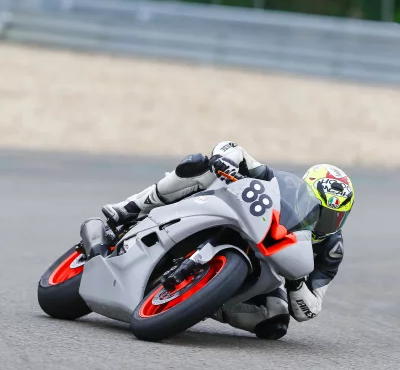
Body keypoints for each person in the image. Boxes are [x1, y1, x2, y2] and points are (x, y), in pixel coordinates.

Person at [102, 142, 354, 340]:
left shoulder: (332, 249)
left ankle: (205, 301)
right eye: (321, 213)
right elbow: (234, 149)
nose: (325, 224)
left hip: (267, 269)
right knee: (199, 165)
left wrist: (296, 279)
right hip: (230, 214)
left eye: (335, 217)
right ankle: (129, 208)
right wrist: (227, 161)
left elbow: (310, 309)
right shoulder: (278, 183)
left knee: (275, 321)